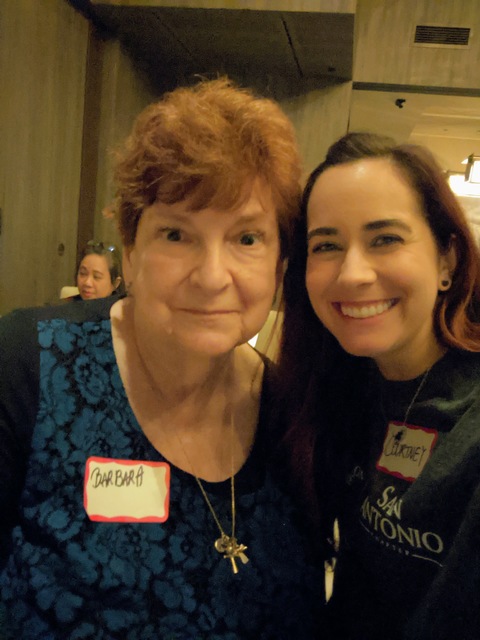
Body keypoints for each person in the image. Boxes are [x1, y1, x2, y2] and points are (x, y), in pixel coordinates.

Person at [0, 77, 324, 639]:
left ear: (279, 265)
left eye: (247, 239)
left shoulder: (291, 413)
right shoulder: (28, 366)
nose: (212, 276)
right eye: (177, 235)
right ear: (130, 251)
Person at [279, 131, 480, 640]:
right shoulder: (344, 387)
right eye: (326, 245)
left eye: (385, 239)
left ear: (447, 259)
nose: (352, 274)